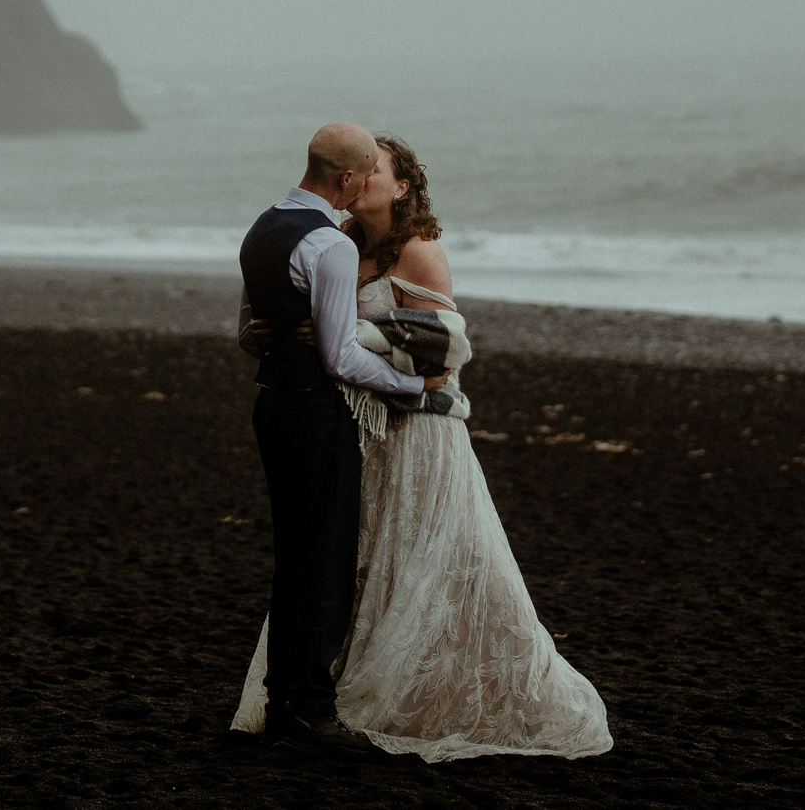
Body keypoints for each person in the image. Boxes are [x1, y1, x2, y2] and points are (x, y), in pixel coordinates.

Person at [234, 134, 613, 762]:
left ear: (402, 186)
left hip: (417, 427)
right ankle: (322, 695)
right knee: (357, 564)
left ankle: (408, 696)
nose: (362, 180)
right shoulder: (336, 245)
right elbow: (284, 323)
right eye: (359, 170)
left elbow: (445, 351)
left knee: (428, 562)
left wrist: (354, 333)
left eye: (376, 170)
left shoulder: (420, 252)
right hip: (359, 424)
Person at [232, 122, 437, 750]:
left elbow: (248, 328)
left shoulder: (262, 227)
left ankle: (280, 697)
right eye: (364, 172)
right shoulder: (332, 246)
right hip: (316, 412)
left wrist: (260, 340)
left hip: (271, 405)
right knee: (325, 559)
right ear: (346, 178)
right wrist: (415, 390)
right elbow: (342, 358)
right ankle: (311, 709)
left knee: (294, 554)